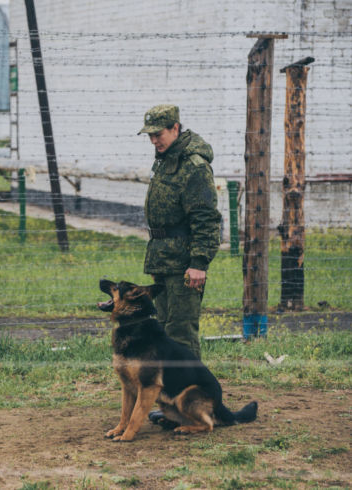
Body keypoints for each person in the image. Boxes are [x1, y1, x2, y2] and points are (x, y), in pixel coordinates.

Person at [139, 105, 221, 425]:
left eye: (158, 134)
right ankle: (173, 406)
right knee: (165, 334)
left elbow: (205, 218)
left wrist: (199, 263)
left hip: (184, 262)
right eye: (150, 135)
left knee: (181, 336)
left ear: (175, 128)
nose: (153, 141)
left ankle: (193, 409)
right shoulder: (166, 160)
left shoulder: (194, 166)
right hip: (163, 258)